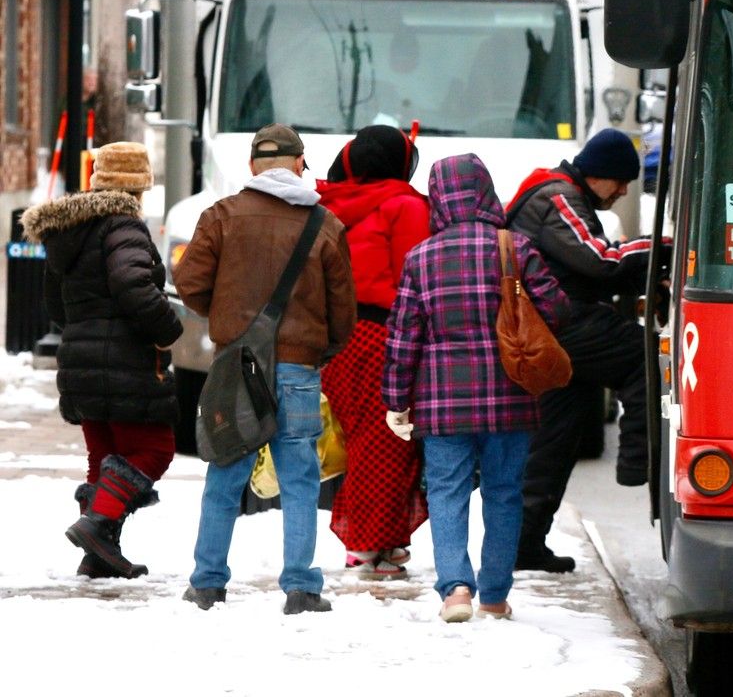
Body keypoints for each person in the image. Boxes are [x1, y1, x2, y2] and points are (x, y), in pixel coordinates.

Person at [173, 123, 356, 615]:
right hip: (298, 366)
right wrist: (319, 350)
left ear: (252, 166)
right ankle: (300, 587)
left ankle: (208, 583)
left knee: (226, 469)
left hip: (236, 365)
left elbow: (188, 280)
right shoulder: (325, 224)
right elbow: (344, 313)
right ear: (300, 164)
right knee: (300, 477)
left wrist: (226, 318)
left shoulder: (221, 216)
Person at [382, 153, 569, 622]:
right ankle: (494, 595)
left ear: (438, 198)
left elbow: (404, 338)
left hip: (442, 403)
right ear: (486, 191)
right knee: (505, 492)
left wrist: (396, 400)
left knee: (447, 491)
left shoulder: (420, 259)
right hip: (511, 396)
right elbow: (558, 309)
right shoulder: (515, 246)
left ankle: (456, 590)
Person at [505, 128, 669, 573]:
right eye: (620, 181)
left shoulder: (561, 195)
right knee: (641, 354)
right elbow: (599, 259)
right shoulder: (558, 197)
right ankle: (639, 461)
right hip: (558, 324)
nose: (622, 191)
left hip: (550, 329)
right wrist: (660, 247)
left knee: (554, 443)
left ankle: (523, 544)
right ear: (599, 173)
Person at [20, 141, 182, 579]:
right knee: (154, 448)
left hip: (81, 360)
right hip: (125, 363)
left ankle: (100, 554)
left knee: (105, 456)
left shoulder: (72, 231)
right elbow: (133, 285)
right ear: (139, 186)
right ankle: (96, 526)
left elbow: (55, 303)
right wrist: (168, 327)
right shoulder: (123, 225)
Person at [314, 124, 430, 579]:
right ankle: (369, 544)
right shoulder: (406, 205)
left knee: (359, 438)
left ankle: (379, 538)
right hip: (387, 336)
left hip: (339, 339)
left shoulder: (331, 204)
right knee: (389, 442)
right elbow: (414, 274)